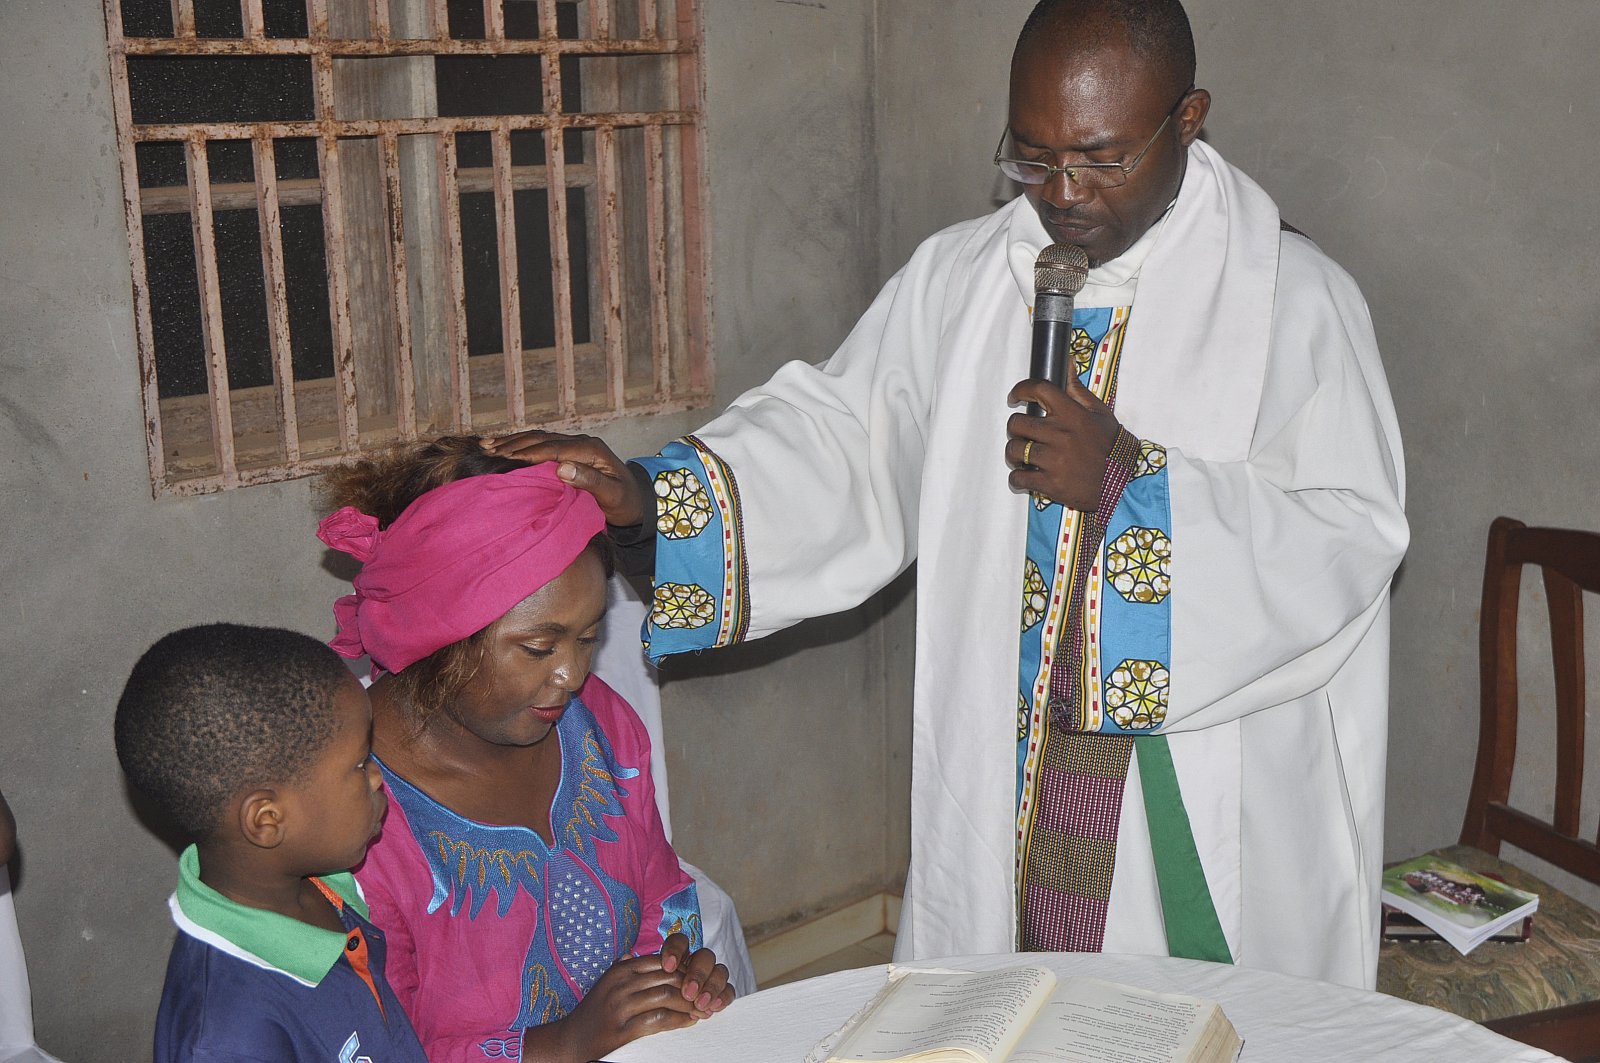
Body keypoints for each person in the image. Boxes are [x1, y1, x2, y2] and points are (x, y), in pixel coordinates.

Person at [490, 0, 1409, 990]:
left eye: (1100, 160)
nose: (1062, 194)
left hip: (1191, 795)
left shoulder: (1291, 301)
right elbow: (845, 443)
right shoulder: (964, 279)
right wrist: (648, 500)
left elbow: (1346, 540)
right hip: (1006, 776)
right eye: (1033, 157)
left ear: (1188, 120)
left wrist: (1125, 483)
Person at [316, 440, 734, 1063]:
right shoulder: (352, 825)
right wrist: (563, 1045)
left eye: (589, 637)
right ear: (437, 635)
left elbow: (659, 890)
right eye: (540, 648)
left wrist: (671, 976)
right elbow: (379, 1046)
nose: (572, 674)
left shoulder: (598, 728)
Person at [114, 624, 427, 1063]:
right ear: (267, 820)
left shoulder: (323, 884)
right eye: (359, 764)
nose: (376, 777)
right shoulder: (227, 1041)